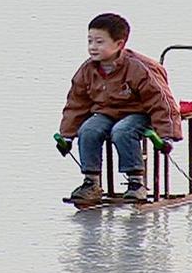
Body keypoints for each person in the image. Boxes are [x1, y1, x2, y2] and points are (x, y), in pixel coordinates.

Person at [56, 13, 183, 201]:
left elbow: (161, 101)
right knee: (88, 130)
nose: (92, 47)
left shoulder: (138, 68)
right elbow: (76, 103)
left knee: (122, 131)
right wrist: (67, 136)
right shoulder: (87, 70)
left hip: (139, 112)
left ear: (119, 44)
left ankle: (136, 182)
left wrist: (167, 136)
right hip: (106, 112)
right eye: (90, 41)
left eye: (99, 42)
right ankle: (91, 182)